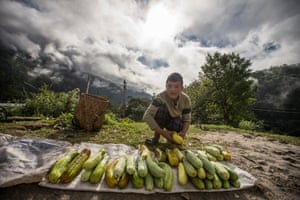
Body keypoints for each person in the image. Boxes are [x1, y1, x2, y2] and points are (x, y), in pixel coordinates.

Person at [143, 72, 192, 145]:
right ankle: (156, 138)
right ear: (166, 86)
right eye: (169, 86)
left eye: (176, 86)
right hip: (163, 118)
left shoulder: (186, 99)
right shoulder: (160, 97)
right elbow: (147, 116)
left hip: (175, 120)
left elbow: (187, 119)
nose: (172, 89)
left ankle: (172, 138)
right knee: (161, 109)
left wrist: (183, 133)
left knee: (177, 124)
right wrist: (163, 133)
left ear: (181, 88)